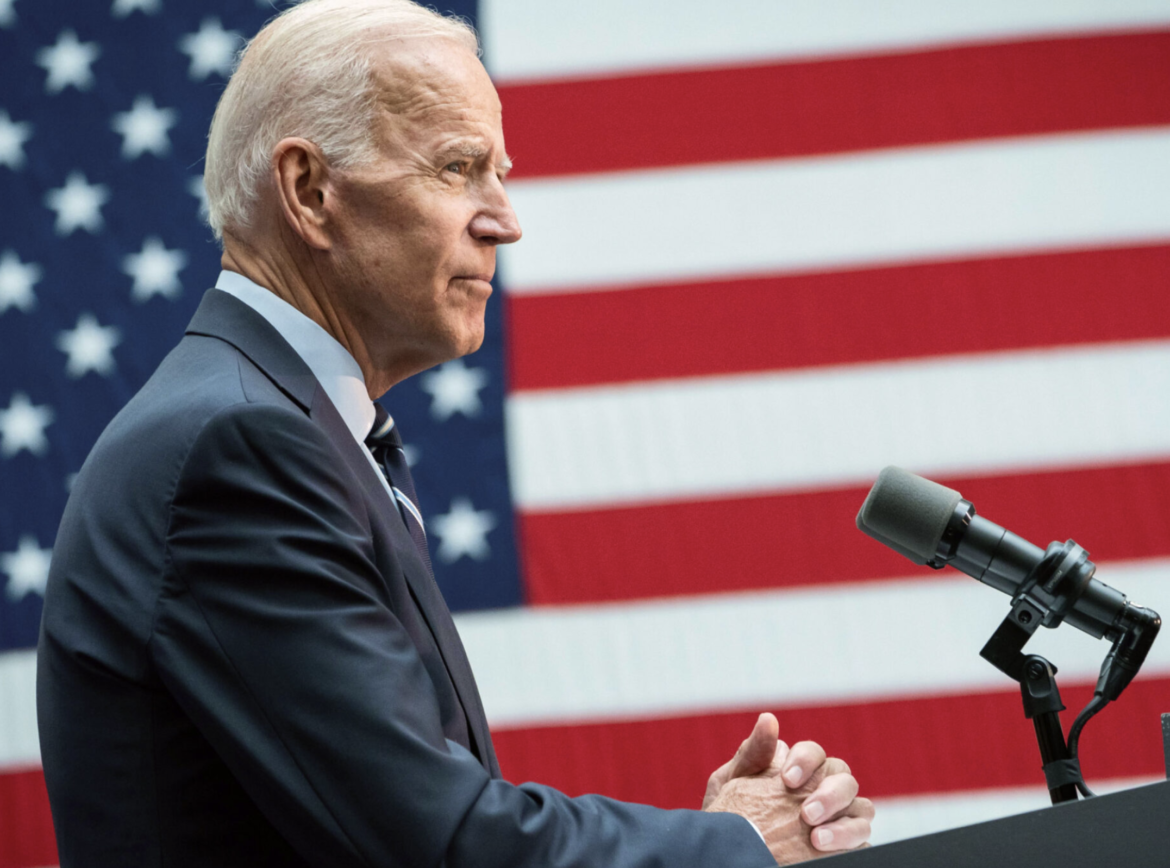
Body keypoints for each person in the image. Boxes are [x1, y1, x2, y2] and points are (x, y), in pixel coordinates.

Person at [36, 1, 874, 865]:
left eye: (500, 172)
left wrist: (708, 841)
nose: (504, 219)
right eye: (458, 167)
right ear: (310, 191)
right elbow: (440, 845)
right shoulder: (244, 446)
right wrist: (729, 846)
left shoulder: (285, 426)